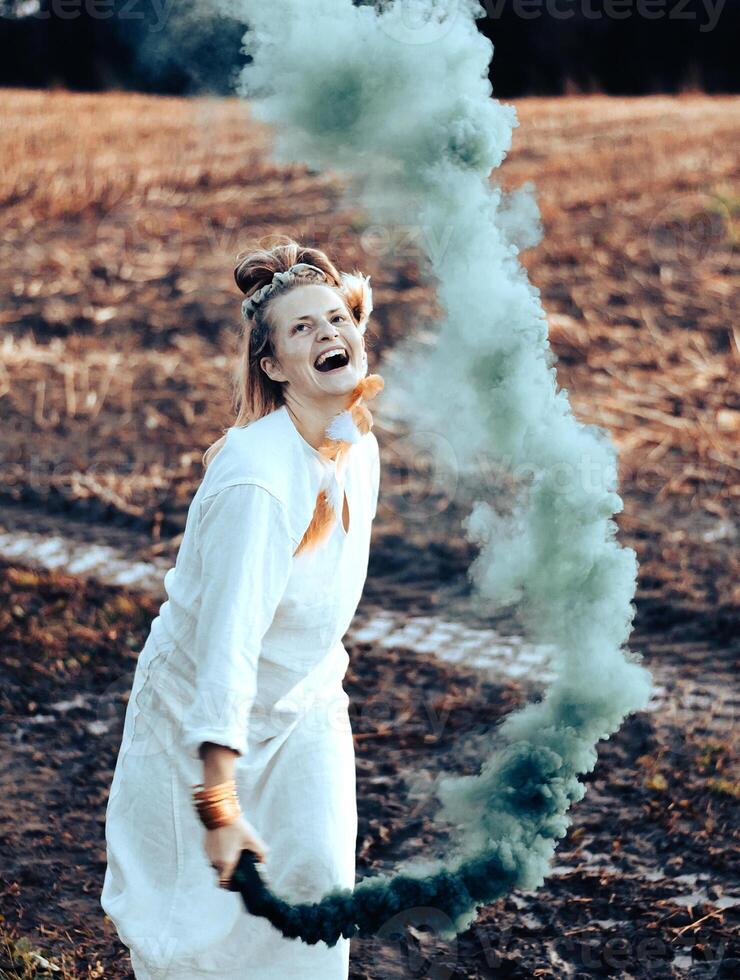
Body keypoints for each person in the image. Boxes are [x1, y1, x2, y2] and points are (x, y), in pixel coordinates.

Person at [100, 238, 382, 979]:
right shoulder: (258, 481)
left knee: (319, 892)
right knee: (196, 932)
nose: (327, 335)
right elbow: (226, 651)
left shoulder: (358, 441)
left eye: (334, 318)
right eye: (301, 329)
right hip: (200, 714)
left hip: (307, 704)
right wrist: (218, 805)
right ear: (273, 366)